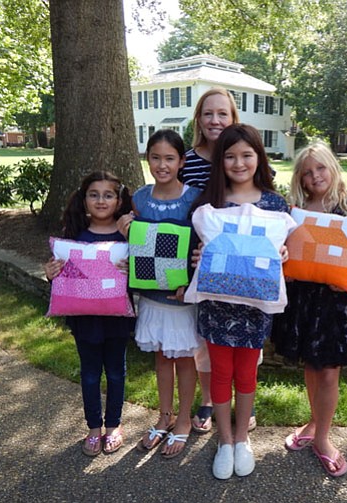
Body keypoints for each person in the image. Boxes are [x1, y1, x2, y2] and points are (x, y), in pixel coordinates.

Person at [190, 123, 290, 479]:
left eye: (246, 155)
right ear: (220, 161)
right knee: (220, 372)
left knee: (246, 372)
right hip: (216, 303)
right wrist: (197, 258)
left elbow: (284, 253)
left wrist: (284, 251)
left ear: (258, 157)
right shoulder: (209, 202)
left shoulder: (275, 204)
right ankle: (225, 439)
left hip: (254, 306)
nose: (238, 163)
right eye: (230, 156)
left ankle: (243, 438)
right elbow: (194, 251)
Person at [271, 141, 347, 477]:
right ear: (299, 178)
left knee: (329, 371)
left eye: (320, 168)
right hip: (302, 300)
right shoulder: (293, 211)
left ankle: (324, 439)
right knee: (311, 366)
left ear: (333, 168)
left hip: (336, 302)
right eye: (307, 172)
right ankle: (315, 422)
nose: (315, 176)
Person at [117, 130, 203, 458]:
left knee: (183, 358)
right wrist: (125, 228)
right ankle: (164, 415)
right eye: (156, 157)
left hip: (180, 298)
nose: (162, 165)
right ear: (147, 158)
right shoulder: (138, 198)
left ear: (182, 161)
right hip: (152, 297)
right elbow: (133, 244)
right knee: (162, 358)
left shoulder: (195, 198)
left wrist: (191, 282)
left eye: (170, 158)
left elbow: (200, 245)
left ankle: (183, 419)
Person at [178, 88, 257, 435]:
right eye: (208, 114)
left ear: (233, 118)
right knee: (205, 339)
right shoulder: (185, 160)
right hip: (195, 258)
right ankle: (210, 399)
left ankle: (243, 404)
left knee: (244, 338)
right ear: (198, 119)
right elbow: (171, 203)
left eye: (222, 114)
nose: (215, 121)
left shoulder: (240, 157)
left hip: (239, 263)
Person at [43, 171, 133, 457]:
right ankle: (94, 427)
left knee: (116, 373)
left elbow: (141, 275)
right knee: (91, 375)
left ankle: (114, 426)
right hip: (84, 320)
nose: (101, 200)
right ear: (84, 200)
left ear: (119, 201)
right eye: (94, 194)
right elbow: (61, 273)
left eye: (108, 195)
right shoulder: (74, 236)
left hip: (117, 318)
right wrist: (50, 274)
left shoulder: (128, 236)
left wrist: (132, 273)